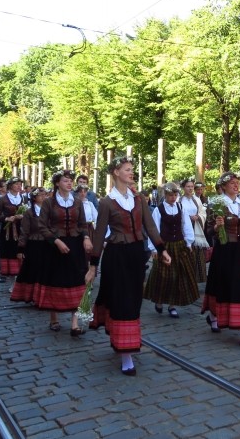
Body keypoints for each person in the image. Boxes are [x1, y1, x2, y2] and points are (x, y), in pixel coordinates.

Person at [88, 157, 170, 375]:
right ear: (116, 172)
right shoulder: (106, 202)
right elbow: (98, 235)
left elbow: (150, 226)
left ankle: (125, 340)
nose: (132, 173)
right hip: (116, 257)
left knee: (133, 301)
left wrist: (162, 249)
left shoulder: (139, 199)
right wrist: (93, 265)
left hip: (136, 255)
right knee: (121, 301)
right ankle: (126, 353)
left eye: (132, 170)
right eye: (127, 170)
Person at [202, 171, 240, 348]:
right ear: (223, 186)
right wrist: (217, 227)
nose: (235, 185)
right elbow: (208, 231)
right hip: (224, 249)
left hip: (239, 250)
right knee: (221, 284)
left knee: (239, 286)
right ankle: (215, 315)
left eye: (237, 182)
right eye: (232, 182)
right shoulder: (217, 203)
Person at [37, 170, 92, 335]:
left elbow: (82, 224)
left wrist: (86, 238)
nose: (69, 183)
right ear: (57, 183)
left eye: (70, 181)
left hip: (75, 246)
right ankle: (54, 318)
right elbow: (42, 226)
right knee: (55, 280)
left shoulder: (77, 202)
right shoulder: (49, 203)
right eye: (66, 180)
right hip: (54, 246)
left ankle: (74, 324)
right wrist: (56, 240)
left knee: (76, 280)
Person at [144, 181, 198, 317]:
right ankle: (159, 301)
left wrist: (189, 243)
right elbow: (154, 229)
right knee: (162, 276)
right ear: (165, 195)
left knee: (177, 276)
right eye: (170, 195)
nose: (173, 198)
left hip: (178, 245)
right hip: (164, 246)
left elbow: (186, 225)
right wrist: (154, 248)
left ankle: (172, 305)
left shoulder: (181, 207)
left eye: (175, 195)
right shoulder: (159, 209)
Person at [10, 188, 50, 304]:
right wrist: (20, 249)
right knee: (33, 270)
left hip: (47, 244)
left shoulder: (48, 211)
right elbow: (24, 231)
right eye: (40, 195)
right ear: (34, 198)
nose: (43, 197)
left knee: (45, 270)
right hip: (34, 245)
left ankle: (44, 296)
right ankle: (32, 296)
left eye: (45, 195)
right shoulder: (29, 213)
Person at [0, 176, 25, 291]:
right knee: (10, 253)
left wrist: (23, 216)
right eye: (16, 184)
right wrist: (7, 218)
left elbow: (29, 212)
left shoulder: (23, 198)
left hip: (21, 229)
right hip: (8, 231)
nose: (19, 186)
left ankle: (20, 281)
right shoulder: (3, 199)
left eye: (20, 184)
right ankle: (12, 283)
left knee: (21, 251)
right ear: (11, 186)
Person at [179, 177, 209, 283]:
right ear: (183, 187)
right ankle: (184, 278)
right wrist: (186, 218)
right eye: (188, 186)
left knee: (196, 255)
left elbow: (203, 213)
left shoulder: (196, 200)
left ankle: (194, 279)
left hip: (195, 228)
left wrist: (198, 217)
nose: (190, 188)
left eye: (192, 186)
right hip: (183, 230)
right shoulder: (179, 199)